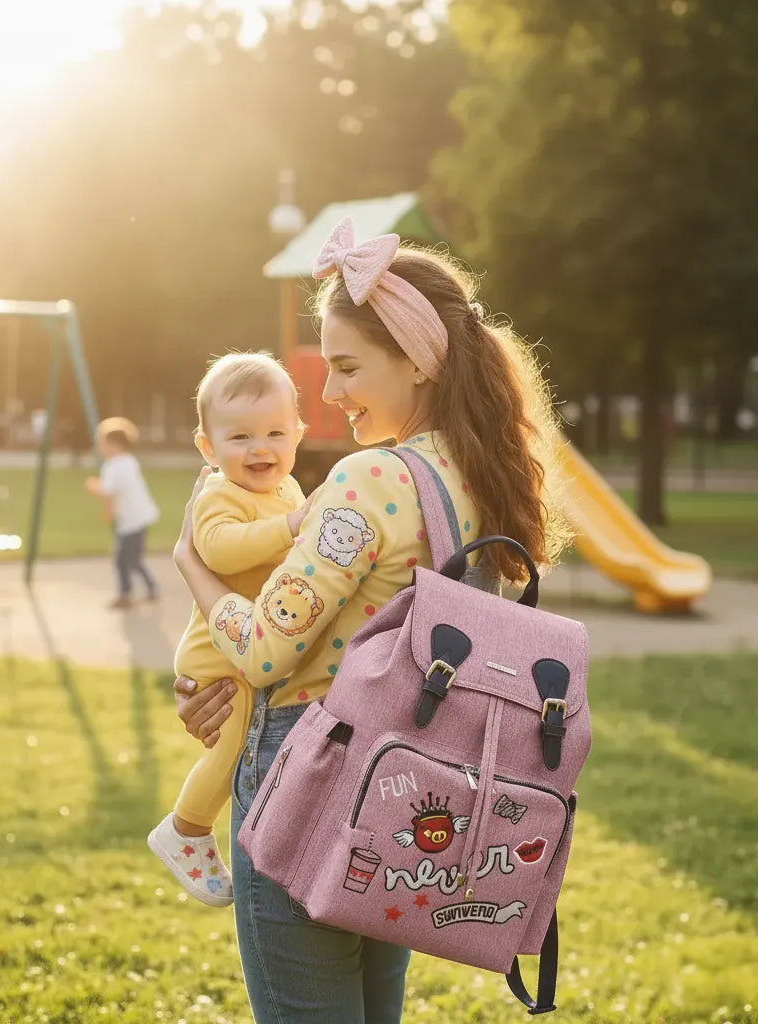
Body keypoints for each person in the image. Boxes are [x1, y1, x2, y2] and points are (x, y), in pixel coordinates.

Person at [170, 218, 572, 1023]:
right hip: (409, 777)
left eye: (347, 367)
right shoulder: (479, 475)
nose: (328, 393)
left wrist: (192, 565)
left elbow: (262, 655)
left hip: (309, 775)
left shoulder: (369, 480)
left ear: (418, 360)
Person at [147, 352, 310, 908]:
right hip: (216, 654)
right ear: (208, 448)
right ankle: (187, 828)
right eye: (239, 436)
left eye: (274, 433)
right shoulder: (221, 493)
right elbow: (214, 548)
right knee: (237, 739)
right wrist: (289, 528)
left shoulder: (290, 492)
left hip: (250, 642)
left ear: (298, 435)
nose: (260, 448)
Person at [85, 416, 160, 610]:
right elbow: (119, 487)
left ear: (113, 445)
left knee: (123, 559)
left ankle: (126, 594)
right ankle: (150, 587)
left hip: (130, 520)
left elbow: (110, 494)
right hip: (142, 516)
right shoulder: (129, 461)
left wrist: (98, 495)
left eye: (102, 444)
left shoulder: (112, 466)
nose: (101, 448)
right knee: (132, 558)